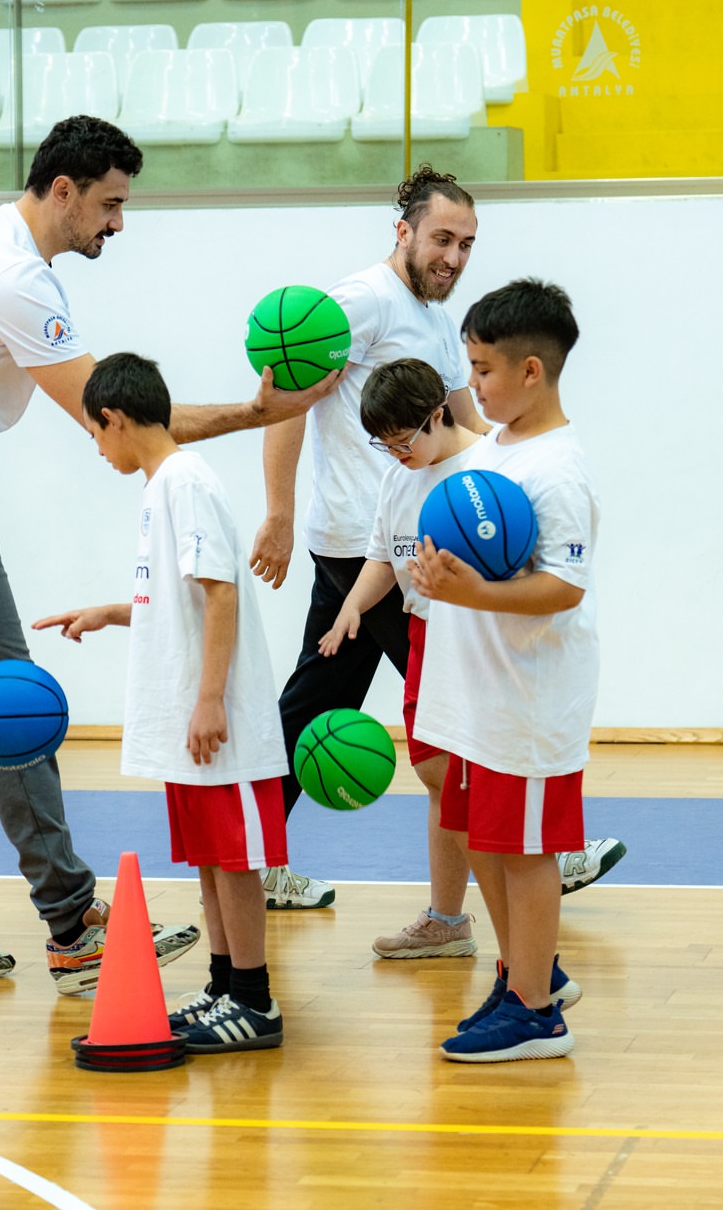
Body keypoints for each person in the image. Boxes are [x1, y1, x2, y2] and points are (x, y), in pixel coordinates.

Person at [0, 115, 334, 992]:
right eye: (109, 204)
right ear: (62, 190)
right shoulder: (14, 278)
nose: (117, 224)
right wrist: (259, 413)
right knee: (10, 711)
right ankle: (74, 923)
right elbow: (119, 420)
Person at [250, 166, 625, 912]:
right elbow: (288, 393)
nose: (453, 256)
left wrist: (524, 477)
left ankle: (257, 857)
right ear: (404, 231)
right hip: (375, 550)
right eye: (442, 238)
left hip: (411, 546)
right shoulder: (363, 301)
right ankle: (533, 851)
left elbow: (472, 425)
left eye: (466, 244)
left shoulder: (435, 321)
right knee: (456, 714)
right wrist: (279, 512)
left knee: (314, 707)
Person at [33, 354, 289, 1053]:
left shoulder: (186, 481)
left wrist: (211, 699)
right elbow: (174, 598)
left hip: (218, 719)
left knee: (233, 858)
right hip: (189, 716)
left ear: (115, 417)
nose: (97, 448)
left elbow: (221, 592)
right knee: (210, 855)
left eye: (94, 433)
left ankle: (256, 1002)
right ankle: (223, 984)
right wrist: (113, 611)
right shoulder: (161, 486)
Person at [411, 279, 596, 1064]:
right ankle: (529, 969)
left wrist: (475, 588)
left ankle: (536, 1013)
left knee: (525, 852)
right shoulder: (490, 450)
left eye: (482, 370)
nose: (472, 384)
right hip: (471, 696)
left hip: (527, 700)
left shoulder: (559, 469)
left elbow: (565, 585)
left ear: (531, 371)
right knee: (480, 838)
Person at [315, 358, 480, 960]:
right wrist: (351, 609)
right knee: (437, 776)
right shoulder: (398, 476)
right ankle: (447, 919)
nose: (395, 453)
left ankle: (532, 882)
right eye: (383, 445)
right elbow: (383, 557)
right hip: (425, 635)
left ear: (438, 414)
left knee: (471, 781)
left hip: (478, 641)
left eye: (403, 440)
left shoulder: (488, 468)